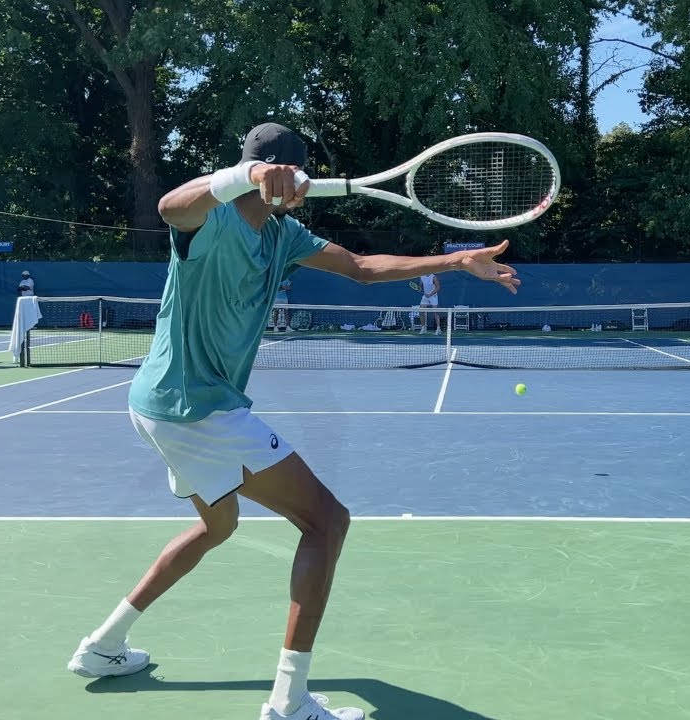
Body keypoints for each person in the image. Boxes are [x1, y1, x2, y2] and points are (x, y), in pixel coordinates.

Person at [65, 122, 519, 720]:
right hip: (196, 409)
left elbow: (360, 265)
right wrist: (243, 178)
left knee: (217, 527)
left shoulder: (284, 232)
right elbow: (170, 207)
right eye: (285, 176)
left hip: (165, 406)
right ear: (275, 175)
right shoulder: (214, 217)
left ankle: (103, 646)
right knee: (327, 522)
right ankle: (288, 702)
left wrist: (458, 260)